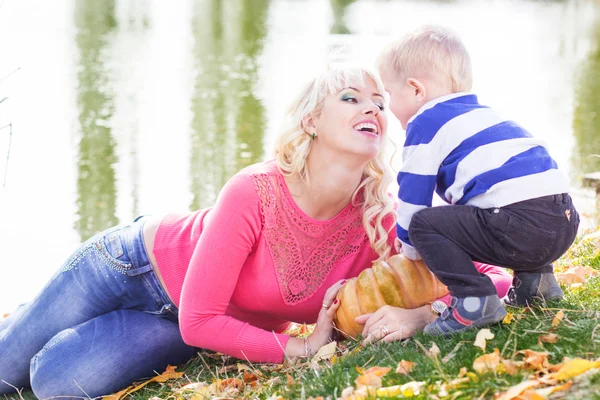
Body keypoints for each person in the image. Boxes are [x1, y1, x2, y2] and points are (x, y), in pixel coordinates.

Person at [0, 64, 511, 398]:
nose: (372, 109)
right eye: (352, 98)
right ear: (311, 121)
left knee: (51, 383)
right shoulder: (256, 189)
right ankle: (29, 316)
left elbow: (492, 274)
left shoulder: (382, 219)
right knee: (5, 370)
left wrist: (422, 313)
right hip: (130, 266)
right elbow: (207, 319)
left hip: (187, 322)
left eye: (379, 102)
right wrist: (301, 349)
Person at [375, 25, 580, 336]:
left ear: (416, 90)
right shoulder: (485, 115)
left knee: (423, 224)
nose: (388, 106)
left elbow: (413, 195)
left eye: (389, 94)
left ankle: (474, 301)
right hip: (564, 220)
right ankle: (537, 284)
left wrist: (411, 252)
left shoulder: (426, 122)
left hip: (521, 226)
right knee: (499, 199)